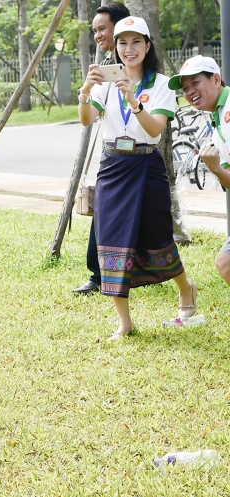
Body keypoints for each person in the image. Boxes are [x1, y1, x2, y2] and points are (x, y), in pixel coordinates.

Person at [78, 16, 197, 339]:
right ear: (115, 48)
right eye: (122, 43)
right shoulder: (104, 82)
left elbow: (155, 129)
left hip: (146, 167)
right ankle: (125, 322)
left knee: (158, 236)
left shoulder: (161, 84)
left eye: (135, 42)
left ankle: (186, 288)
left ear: (147, 45)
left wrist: (133, 99)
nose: (128, 50)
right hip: (113, 166)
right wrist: (87, 91)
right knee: (111, 241)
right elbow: (87, 119)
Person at [72, 2, 131, 296]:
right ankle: (98, 276)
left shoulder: (144, 67)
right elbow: (87, 118)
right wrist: (85, 91)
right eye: (94, 30)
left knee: (149, 221)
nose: (97, 35)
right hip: (113, 157)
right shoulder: (105, 69)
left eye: (101, 29)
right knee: (104, 215)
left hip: (144, 156)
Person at [169, 57, 230, 285]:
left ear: (215, 79)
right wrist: (214, 168)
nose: (190, 91)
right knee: (225, 263)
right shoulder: (216, 124)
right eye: (185, 88)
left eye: (195, 83)